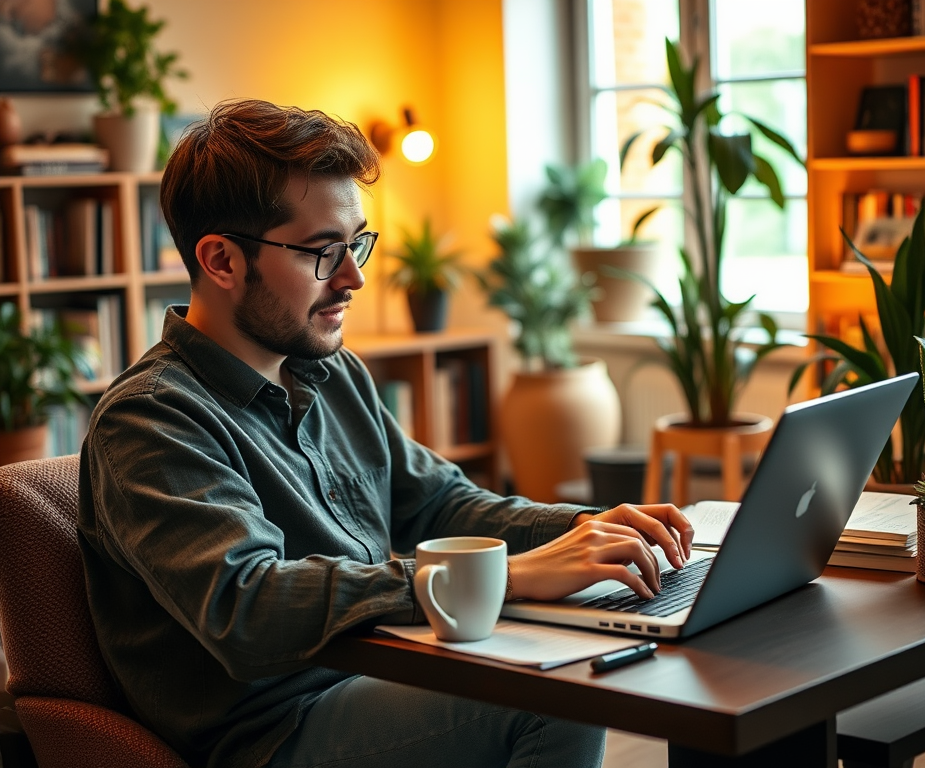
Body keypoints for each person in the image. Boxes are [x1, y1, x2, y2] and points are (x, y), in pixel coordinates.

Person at [78, 98, 693, 768]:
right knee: (551, 692)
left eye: (356, 243)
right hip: (272, 732)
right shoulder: (151, 421)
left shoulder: (332, 372)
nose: (354, 277)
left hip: (389, 673)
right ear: (222, 261)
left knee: (586, 653)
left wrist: (596, 530)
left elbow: (442, 505)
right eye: (323, 252)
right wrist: (502, 578)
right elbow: (246, 606)